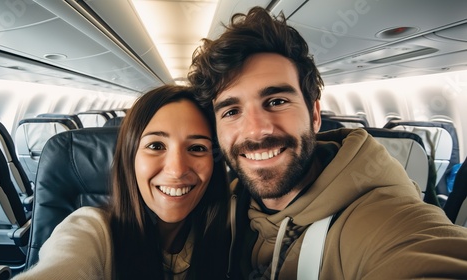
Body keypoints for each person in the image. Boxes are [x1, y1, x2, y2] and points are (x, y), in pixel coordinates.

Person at [188, 6, 467, 280]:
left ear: (315, 114)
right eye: (232, 111)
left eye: (276, 101)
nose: (257, 130)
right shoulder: (222, 205)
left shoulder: (378, 218)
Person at [13, 85, 229, 279]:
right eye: (155, 146)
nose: (177, 170)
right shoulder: (92, 231)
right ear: (130, 157)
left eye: (197, 148)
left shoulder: (234, 232)